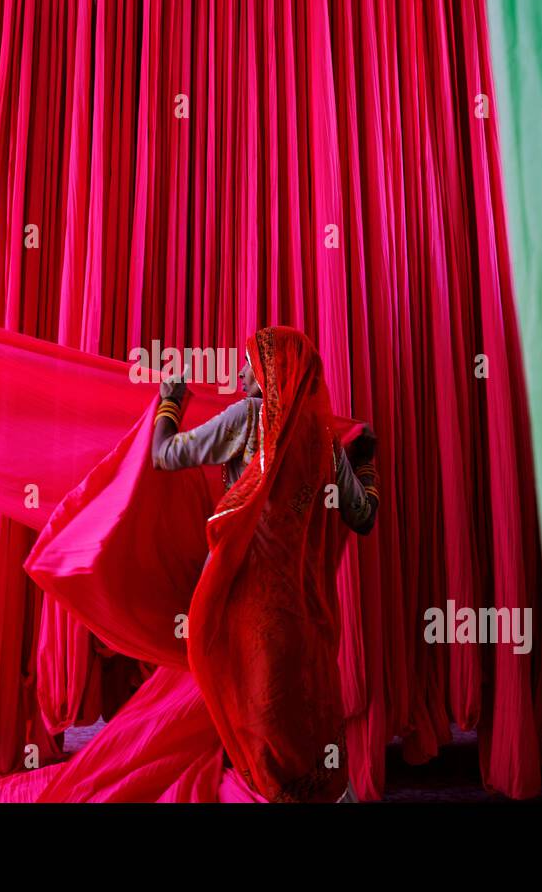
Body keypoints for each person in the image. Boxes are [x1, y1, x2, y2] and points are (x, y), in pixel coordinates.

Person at [151, 326, 379, 801]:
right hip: (302, 611)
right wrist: (366, 464)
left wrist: (170, 401)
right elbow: (363, 516)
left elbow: (163, 455)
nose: (239, 373)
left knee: (253, 724)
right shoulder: (322, 438)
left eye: (249, 364)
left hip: (242, 603)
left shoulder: (252, 417)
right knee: (299, 719)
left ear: (274, 372)